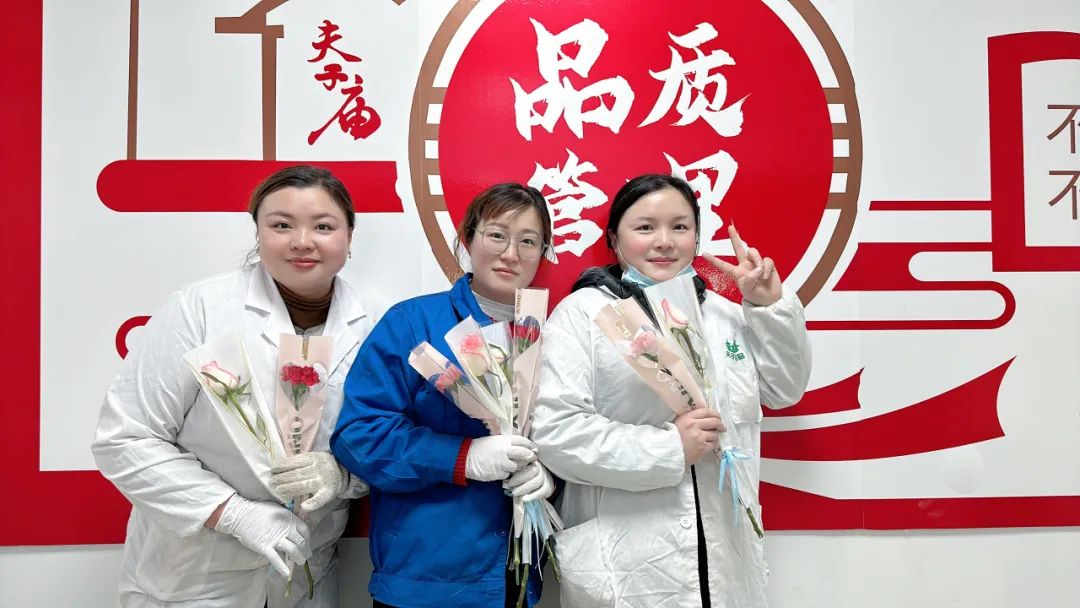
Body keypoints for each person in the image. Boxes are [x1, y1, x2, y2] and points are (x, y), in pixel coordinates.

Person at [93, 165, 375, 607]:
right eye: (281, 225)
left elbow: (389, 438)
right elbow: (125, 438)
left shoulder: (376, 323)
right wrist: (233, 514)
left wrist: (345, 476)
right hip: (194, 576)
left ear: (349, 237)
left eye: (323, 226)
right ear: (258, 233)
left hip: (307, 573)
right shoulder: (200, 310)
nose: (302, 241)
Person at [531, 174, 812, 607]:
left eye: (680, 227)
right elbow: (556, 433)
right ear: (614, 239)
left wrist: (768, 307)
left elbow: (783, 389)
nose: (664, 241)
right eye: (645, 227)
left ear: (696, 238)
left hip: (726, 563)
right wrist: (669, 448)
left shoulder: (724, 315)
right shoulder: (583, 314)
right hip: (628, 563)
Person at [330, 183, 557, 608]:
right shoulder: (412, 323)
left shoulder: (553, 332)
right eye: (496, 235)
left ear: (543, 252)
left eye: (528, 241)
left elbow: (572, 427)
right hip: (426, 578)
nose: (511, 253)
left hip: (518, 576)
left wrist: (552, 475)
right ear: (468, 238)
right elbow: (359, 436)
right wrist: (463, 457)